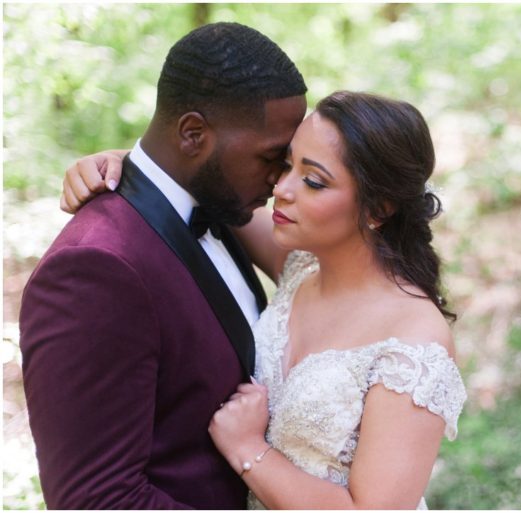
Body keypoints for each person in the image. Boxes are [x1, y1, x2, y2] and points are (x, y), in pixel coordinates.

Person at [62, 91, 467, 509]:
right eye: (286, 164)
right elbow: (186, 182)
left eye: (313, 181)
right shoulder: (300, 265)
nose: (282, 189)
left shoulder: (415, 342)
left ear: (378, 209)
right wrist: (119, 163)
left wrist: (247, 448)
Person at [19, 22, 307, 509]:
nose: (281, 180)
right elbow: (97, 502)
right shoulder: (94, 268)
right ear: (193, 133)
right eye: (271, 158)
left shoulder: (218, 207)